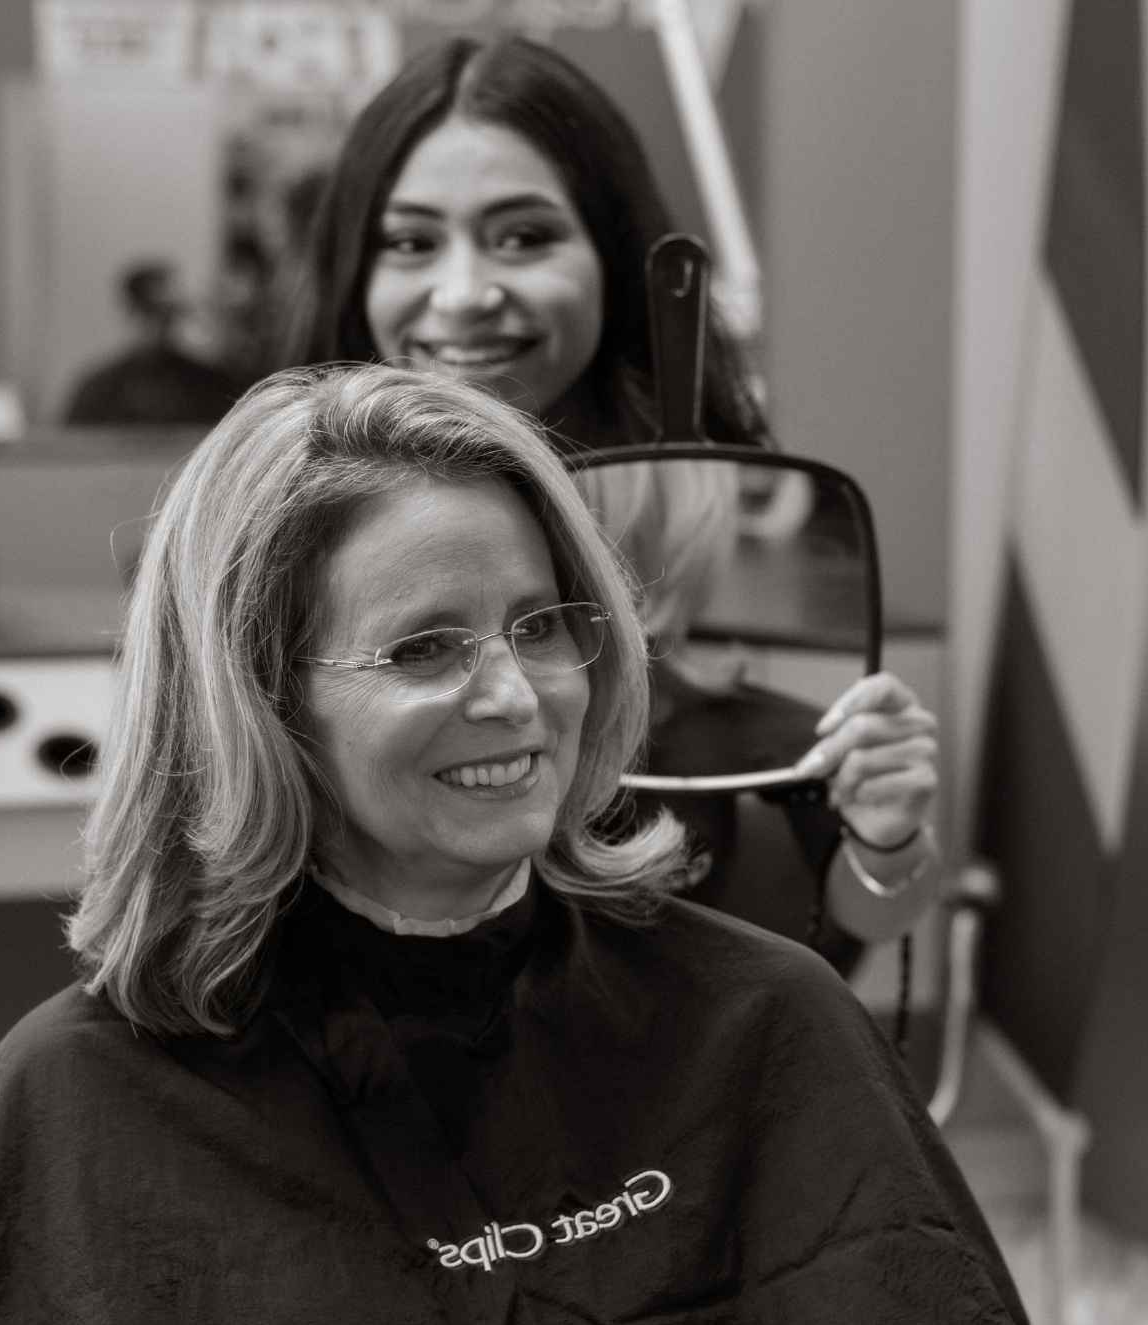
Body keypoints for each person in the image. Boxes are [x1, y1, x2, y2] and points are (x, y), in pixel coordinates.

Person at [0, 365, 1089, 1325]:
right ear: (260, 703)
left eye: (541, 626)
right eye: (425, 648)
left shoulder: (766, 1023)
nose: (513, 696)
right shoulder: (71, 1106)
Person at [283, 33, 940, 977]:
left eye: (524, 235)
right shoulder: (270, 543)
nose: (463, 293)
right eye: (411, 242)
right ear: (356, 274)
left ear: (613, 263)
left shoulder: (703, 623)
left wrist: (887, 846)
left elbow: (850, 931)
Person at [61, 259, 242, 428]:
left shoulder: (209, 384)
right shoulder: (100, 390)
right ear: (132, 311)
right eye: (151, 312)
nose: (159, 325)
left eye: (168, 313)